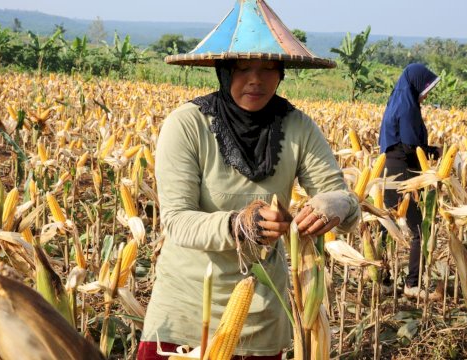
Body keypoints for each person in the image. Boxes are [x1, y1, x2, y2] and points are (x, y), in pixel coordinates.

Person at [137, 1, 360, 358]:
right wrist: (239, 224)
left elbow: (342, 201)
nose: (256, 79)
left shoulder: (298, 126)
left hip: (261, 313)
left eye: (269, 68)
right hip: (188, 311)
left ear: (282, 72)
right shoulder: (187, 125)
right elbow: (177, 222)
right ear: (224, 71)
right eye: (242, 68)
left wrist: (334, 204)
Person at [378, 63, 441, 298]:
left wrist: (429, 150)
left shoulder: (397, 102)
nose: (426, 95)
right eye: (426, 90)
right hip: (403, 170)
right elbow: (410, 146)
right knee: (420, 230)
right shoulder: (408, 109)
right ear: (416, 85)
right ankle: (412, 284)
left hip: (389, 168)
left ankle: (383, 280)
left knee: (387, 226)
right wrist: (431, 152)